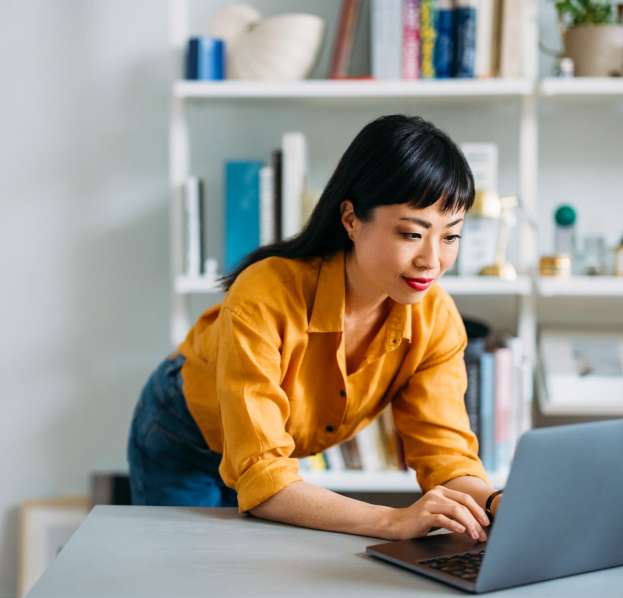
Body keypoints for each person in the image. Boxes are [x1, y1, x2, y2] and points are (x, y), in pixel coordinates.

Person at [127, 114, 502, 542]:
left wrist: (494, 503)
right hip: (186, 435)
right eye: (411, 234)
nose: (432, 260)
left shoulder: (436, 319)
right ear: (351, 219)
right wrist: (393, 521)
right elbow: (264, 481)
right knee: (187, 575)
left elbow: (447, 458)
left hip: (270, 451)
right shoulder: (265, 294)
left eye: (450, 237)